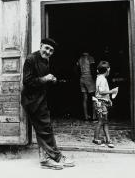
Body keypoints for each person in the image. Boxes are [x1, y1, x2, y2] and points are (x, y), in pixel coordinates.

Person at [21, 38, 75, 170]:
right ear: (40, 46)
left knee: (44, 129)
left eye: (51, 50)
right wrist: (45, 79)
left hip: (41, 99)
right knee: (44, 129)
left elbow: (43, 80)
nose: (48, 52)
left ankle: (48, 158)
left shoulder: (45, 60)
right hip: (32, 100)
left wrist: (52, 80)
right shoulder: (31, 59)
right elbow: (27, 81)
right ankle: (53, 157)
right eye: (46, 48)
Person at [92, 61, 118, 148]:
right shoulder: (102, 79)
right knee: (101, 121)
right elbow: (102, 91)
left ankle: (108, 139)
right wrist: (112, 91)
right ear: (108, 70)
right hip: (100, 103)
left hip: (102, 102)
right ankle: (96, 139)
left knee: (104, 122)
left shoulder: (99, 78)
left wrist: (109, 99)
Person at [76, 51, 96, 120]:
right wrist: (95, 79)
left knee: (85, 98)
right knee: (93, 97)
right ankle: (94, 116)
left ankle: (86, 116)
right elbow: (92, 69)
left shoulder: (80, 59)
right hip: (89, 78)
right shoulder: (90, 58)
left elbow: (77, 69)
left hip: (82, 78)